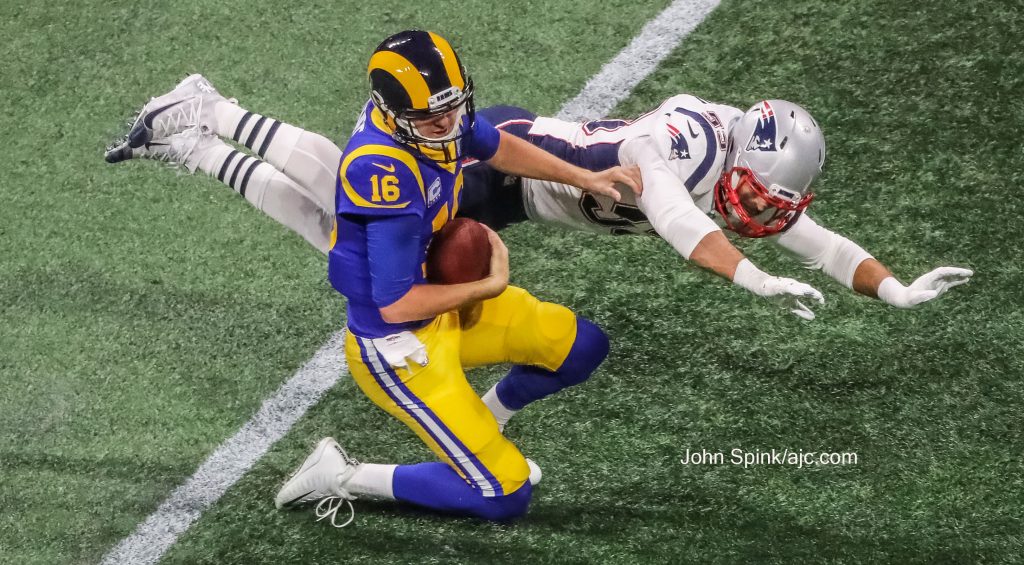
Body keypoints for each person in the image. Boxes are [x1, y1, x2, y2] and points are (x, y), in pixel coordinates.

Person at [110, 30, 644, 525]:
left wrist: (583, 175)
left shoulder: (427, 118)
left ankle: (200, 130)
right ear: (396, 115)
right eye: (435, 119)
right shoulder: (383, 173)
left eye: (455, 108)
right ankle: (341, 474)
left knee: (583, 346)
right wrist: (486, 287)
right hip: (400, 346)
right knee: (505, 494)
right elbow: (396, 304)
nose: (450, 125)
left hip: (437, 305)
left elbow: (491, 143)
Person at [107, 86, 971, 321]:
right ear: (740, 150)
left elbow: (814, 238)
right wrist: (753, 281)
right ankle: (206, 119)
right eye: (757, 187)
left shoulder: (744, 168)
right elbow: (677, 220)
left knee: (348, 225)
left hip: (521, 198)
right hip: (506, 160)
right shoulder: (678, 143)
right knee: (352, 220)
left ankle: (196, 134)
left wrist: (894, 289)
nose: (761, 206)